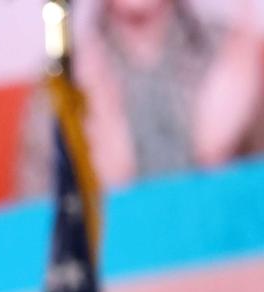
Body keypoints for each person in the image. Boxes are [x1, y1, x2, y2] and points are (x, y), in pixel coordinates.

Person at [17, 0, 263, 194]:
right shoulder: (63, 82)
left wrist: (225, 166)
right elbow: (31, 236)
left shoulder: (232, 60)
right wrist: (99, 193)